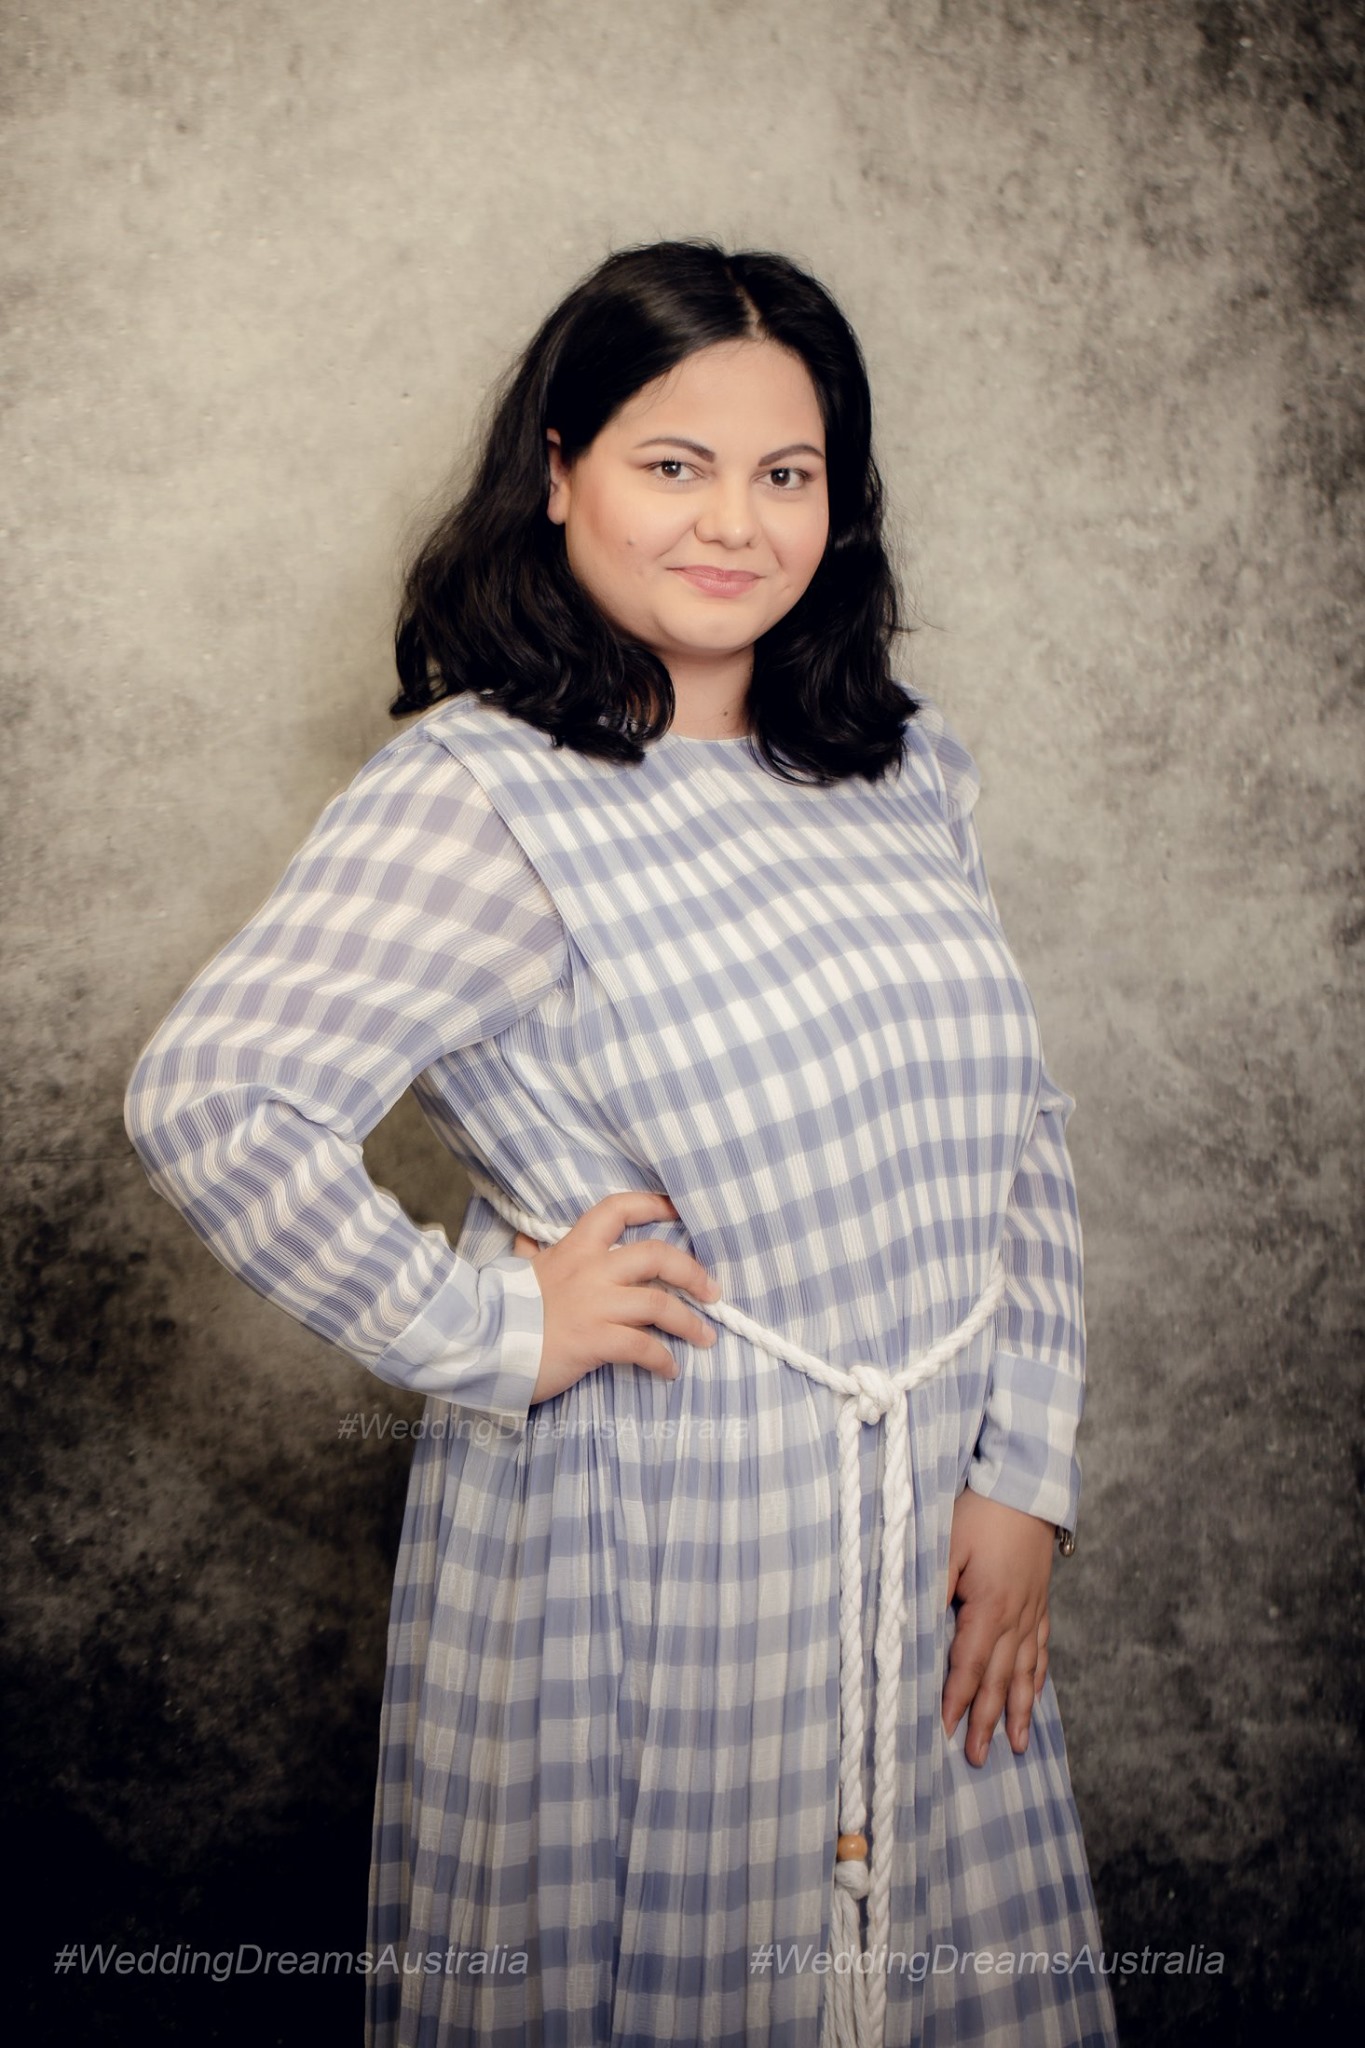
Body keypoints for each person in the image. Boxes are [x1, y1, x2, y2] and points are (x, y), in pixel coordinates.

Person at [124, 241, 1118, 2048]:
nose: (734, 522)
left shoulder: (906, 770)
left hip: (925, 1534)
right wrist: (492, 1331)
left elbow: (1018, 1132)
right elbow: (213, 1098)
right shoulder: (482, 790)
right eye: (674, 463)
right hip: (654, 1541)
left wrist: (1022, 1472)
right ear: (560, 470)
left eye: (785, 472)